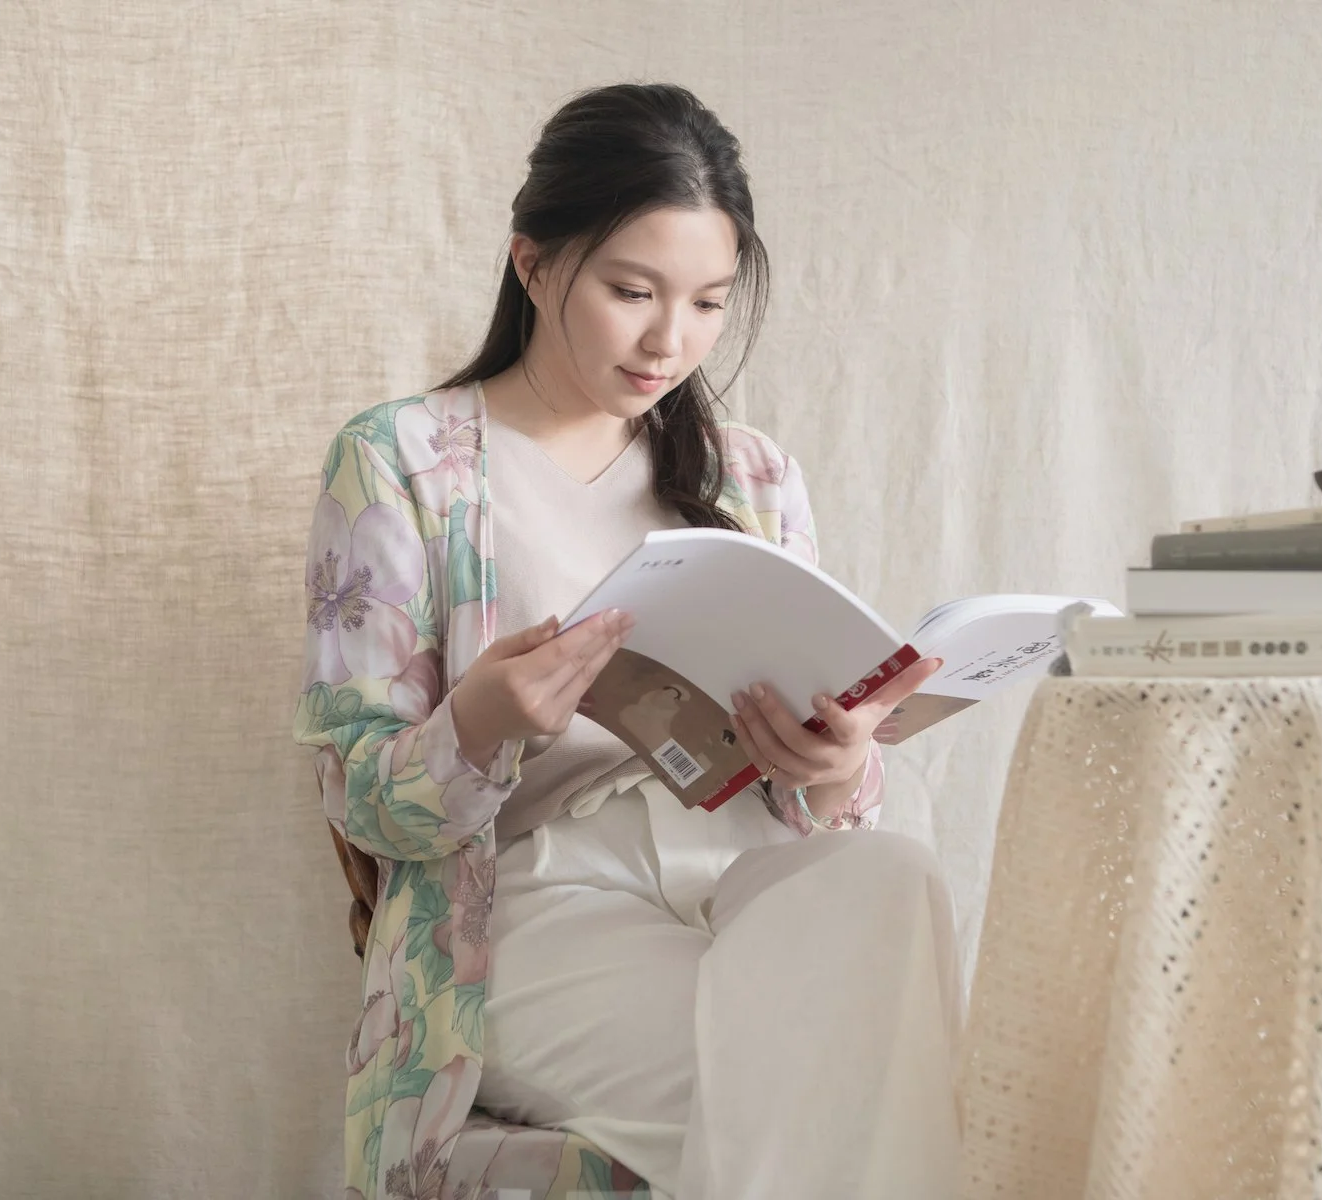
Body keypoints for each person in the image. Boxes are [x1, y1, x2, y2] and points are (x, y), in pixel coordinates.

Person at [295, 82, 963, 1200]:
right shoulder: (401, 460)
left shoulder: (752, 477)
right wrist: (482, 721)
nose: (670, 340)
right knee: (824, 1086)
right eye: (632, 291)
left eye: (707, 303)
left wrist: (836, 764)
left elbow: (827, 805)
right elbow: (362, 802)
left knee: (890, 875)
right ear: (533, 264)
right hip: (533, 904)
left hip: (742, 865)